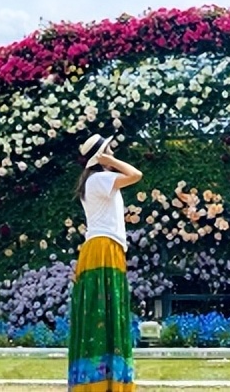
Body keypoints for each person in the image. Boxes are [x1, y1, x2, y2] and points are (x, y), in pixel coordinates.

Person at [68, 134, 143, 392]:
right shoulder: (99, 179)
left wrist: (106, 158)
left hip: (100, 248)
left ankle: (98, 382)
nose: (113, 150)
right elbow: (135, 175)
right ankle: (105, 384)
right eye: (109, 148)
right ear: (100, 155)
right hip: (104, 249)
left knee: (100, 313)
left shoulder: (94, 182)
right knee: (107, 312)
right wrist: (110, 159)